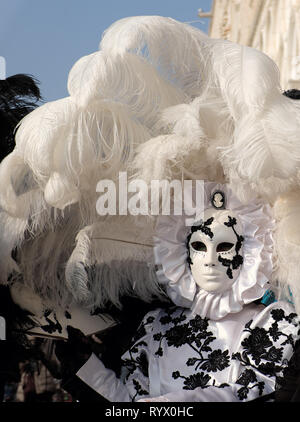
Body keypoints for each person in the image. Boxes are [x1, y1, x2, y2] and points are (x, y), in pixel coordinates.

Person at [74, 183, 300, 402]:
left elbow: (258, 392)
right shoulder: (157, 325)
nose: (211, 260)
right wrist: (84, 368)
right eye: (199, 247)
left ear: (249, 250)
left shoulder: (270, 322)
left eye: (224, 247)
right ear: (182, 252)